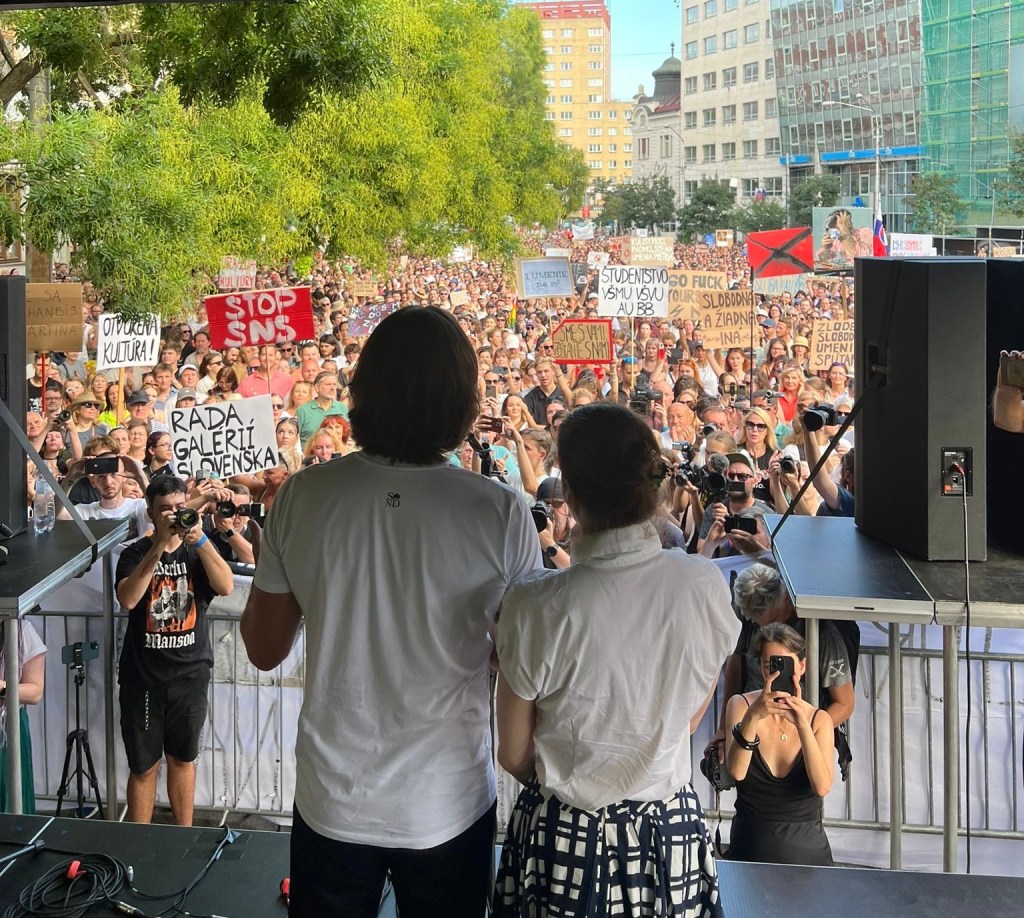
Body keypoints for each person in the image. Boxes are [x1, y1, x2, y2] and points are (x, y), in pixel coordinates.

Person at [240, 306, 539, 917]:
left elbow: (263, 646)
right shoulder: (500, 513)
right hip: (448, 801)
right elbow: (521, 663)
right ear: (460, 398)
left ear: (364, 390)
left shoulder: (304, 496)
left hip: (333, 799)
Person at [493, 403, 738, 918]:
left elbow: (514, 754)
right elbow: (690, 713)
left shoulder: (535, 604)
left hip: (563, 838)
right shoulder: (702, 585)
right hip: (669, 832)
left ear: (573, 498)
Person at [114, 476, 234, 825]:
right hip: (144, 679)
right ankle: (137, 845)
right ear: (150, 512)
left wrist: (200, 540)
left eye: (180, 508)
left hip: (190, 675)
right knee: (143, 766)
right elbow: (129, 598)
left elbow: (225, 585)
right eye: (165, 509)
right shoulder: (134, 552)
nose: (174, 515)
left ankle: (182, 837)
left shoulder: (197, 549)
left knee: (183, 759)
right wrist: (158, 546)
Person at [724, 623, 835, 866]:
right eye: (770, 666)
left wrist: (802, 725)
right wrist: (753, 717)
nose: (776, 674)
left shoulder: (819, 720)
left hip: (808, 854)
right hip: (749, 849)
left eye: (784, 665)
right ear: (761, 668)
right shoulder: (740, 706)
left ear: (802, 666)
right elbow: (736, 772)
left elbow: (822, 785)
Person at [0, 618, 46, 814]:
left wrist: (2, 687)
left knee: (9, 799)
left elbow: (35, 692)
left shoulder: (23, 631)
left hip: (7, 730)